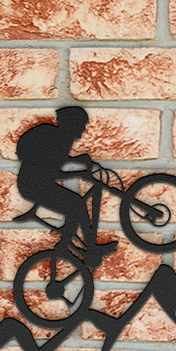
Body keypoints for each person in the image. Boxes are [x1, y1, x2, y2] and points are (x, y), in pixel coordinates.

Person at [13, 105, 111, 258]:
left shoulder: (59, 137)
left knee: (74, 204)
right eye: (82, 125)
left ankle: (84, 245)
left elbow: (58, 160)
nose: (83, 129)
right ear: (73, 125)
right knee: (77, 205)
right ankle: (66, 247)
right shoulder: (60, 140)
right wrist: (80, 173)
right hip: (33, 186)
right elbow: (54, 173)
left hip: (34, 183)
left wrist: (78, 160)